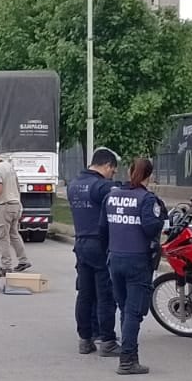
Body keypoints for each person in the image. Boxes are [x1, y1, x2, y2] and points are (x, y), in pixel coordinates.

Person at [99, 157, 165, 375]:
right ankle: (127, 360)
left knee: (125, 308)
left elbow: (103, 229)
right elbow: (150, 227)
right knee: (134, 312)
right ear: (150, 176)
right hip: (137, 260)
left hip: (115, 259)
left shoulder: (111, 196)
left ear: (129, 173)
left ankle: (130, 355)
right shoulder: (147, 199)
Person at [67, 148, 121, 356]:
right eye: (113, 171)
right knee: (106, 294)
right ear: (106, 165)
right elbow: (118, 197)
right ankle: (107, 340)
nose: (112, 175)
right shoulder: (101, 186)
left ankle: (85, 339)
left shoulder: (73, 185)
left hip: (80, 243)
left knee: (85, 294)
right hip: (99, 244)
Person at [0, 149, 30, 273]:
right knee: (14, 234)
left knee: (1, 236)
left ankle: (6, 266)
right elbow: (17, 186)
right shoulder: (9, 166)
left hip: (4, 205)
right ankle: (23, 260)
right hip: (15, 204)